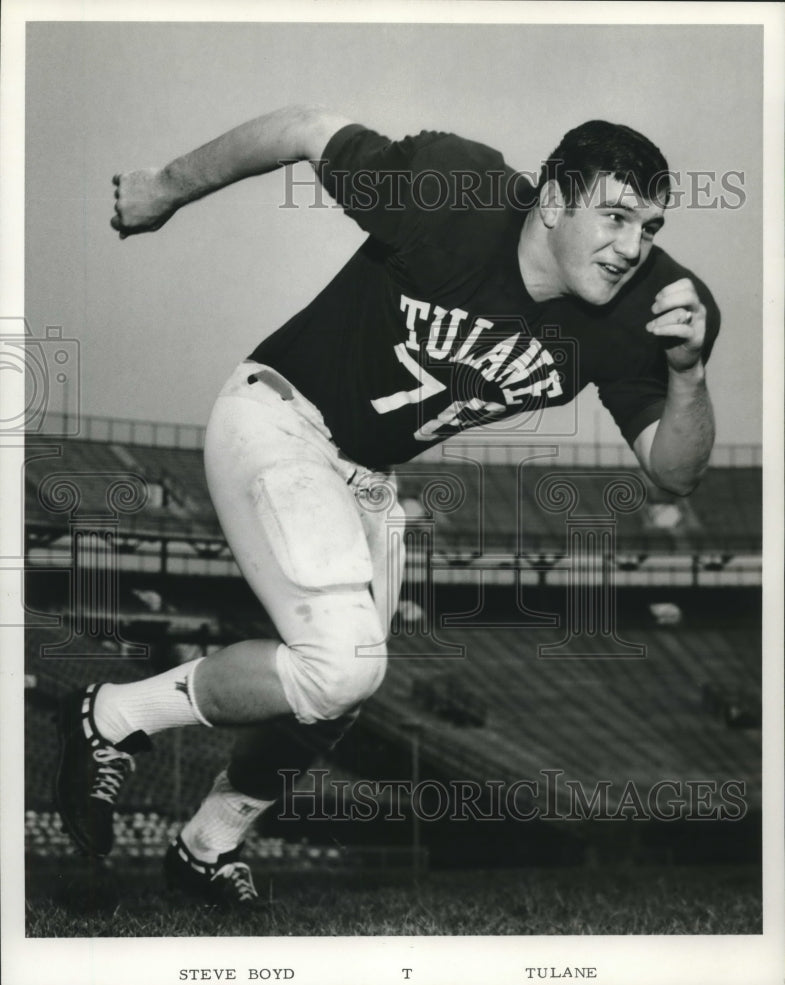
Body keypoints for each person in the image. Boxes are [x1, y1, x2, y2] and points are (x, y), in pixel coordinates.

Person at [54, 105, 718, 905]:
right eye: (613, 216)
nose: (630, 248)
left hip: (367, 473)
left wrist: (686, 372)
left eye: (647, 225)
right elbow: (302, 128)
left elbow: (672, 475)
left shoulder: (642, 303)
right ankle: (113, 714)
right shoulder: (454, 194)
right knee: (343, 664)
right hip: (281, 418)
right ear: (552, 201)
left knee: (341, 691)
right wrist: (165, 187)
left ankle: (207, 845)